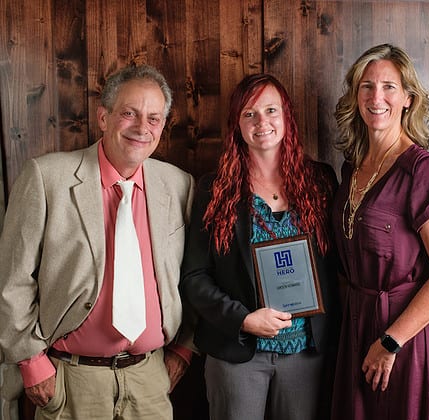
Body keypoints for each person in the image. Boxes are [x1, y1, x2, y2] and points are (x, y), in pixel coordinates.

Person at [0, 64, 195, 419]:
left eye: (154, 118)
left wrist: (183, 349)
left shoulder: (179, 185)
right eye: (129, 113)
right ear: (103, 117)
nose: (141, 127)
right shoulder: (46, 179)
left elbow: (195, 274)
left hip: (150, 379)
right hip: (70, 380)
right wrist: (30, 361)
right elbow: (12, 280)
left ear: (163, 127)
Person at [180, 73, 340, 420]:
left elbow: (337, 267)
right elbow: (195, 277)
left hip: (306, 352)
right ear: (237, 124)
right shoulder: (215, 190)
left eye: (271, 110)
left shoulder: (321, 181)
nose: (262, 122)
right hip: (237, 353)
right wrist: (243, 319)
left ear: (287, 117)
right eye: (249, 114)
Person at [330, 43, 429, 419]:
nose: (377, 97)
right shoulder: (352, 169)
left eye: (389, 87)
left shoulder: (420, 170)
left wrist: (391, 341)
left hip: (407, 338)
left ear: (408, 98)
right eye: (367, 86)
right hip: (357, 326)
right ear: (356, 95)